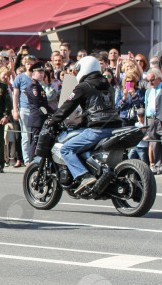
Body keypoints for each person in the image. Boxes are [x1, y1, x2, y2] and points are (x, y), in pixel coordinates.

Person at [47, 56, 123, 193]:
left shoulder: (83, 86)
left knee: (66, 149)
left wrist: (53, 120)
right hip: (115, 126)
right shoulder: (108, 85)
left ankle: (83, 176)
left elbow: (67, 106)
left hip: (98, 129)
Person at [24, 62, 50, 155]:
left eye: (43, 72)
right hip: (37, 117)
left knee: (39, 140)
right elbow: (38, 102)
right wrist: (49, 111)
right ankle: (32, 162)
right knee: (35, 142)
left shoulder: (38, 86)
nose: (42, 74)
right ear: (34, 73)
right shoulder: (33, 86)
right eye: (40, 72)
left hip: (41, 116)